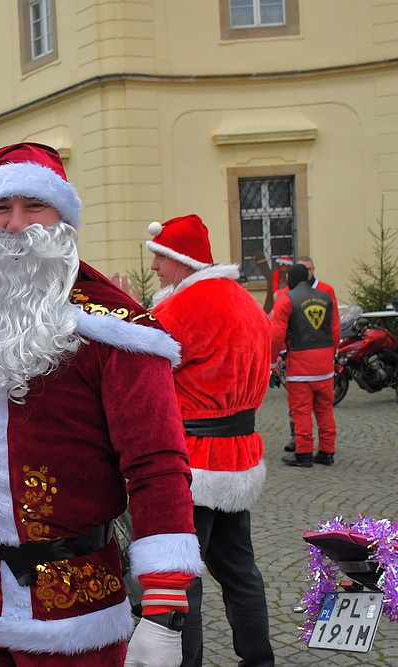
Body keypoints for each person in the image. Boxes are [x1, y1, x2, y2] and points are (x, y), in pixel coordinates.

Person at [0, 143, 202, 667]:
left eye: (35, 206)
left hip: (77, 615)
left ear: (63, 219)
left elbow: (157, 465)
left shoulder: (118, 331)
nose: (15, 225)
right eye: (1, 208)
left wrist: (164, 608)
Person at [146, 215, 275, 667]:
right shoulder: (247, 302)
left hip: (190, 461)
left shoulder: (180, 309)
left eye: (160, 258)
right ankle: (259, 660)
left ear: (181, 260)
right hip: (239, 456)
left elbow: (143, 377)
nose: (155, 267)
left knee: (182, 580)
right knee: (240, 569)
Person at [272, 263, 340, 467]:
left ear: (290, 279)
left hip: (300, 365)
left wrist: (272, 360)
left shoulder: (287, 299)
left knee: (301, 410)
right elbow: (335, 330)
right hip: (325, 365)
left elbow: (276, 334)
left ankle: (303, 453)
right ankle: (327, 451)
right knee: (325, 409)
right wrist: (331, 354)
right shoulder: (325, 297)